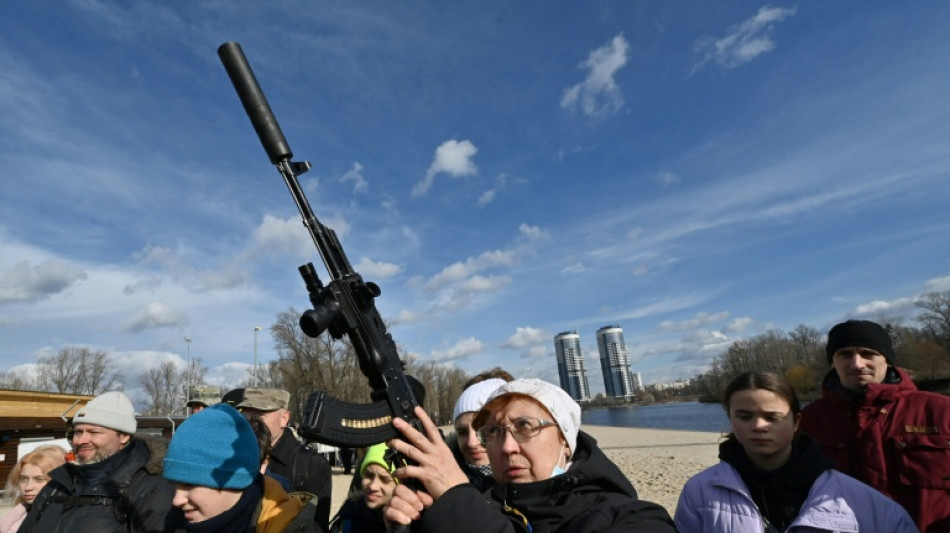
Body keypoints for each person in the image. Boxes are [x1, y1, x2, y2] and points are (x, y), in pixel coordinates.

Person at [383, 378, 675, 533]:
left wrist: (457, 502)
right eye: (494, 432)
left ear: (565, 441)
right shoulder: (486, 510)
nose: (507, 447)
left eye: (524, 426)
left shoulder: (634, 518)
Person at [676, 371, 917, 532]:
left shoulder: (857, 498)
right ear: (731, 418)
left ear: (796, 422)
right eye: (745, 416)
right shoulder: (699, 491)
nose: (759, 426)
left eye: (772, 417)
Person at [799, 319, 950, 533]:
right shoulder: (808, 420)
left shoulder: (941, 411)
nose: (857, 364)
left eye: (868, 353)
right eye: (845, 354)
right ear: (833, 361)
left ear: (887, 360)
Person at [18, 391, 181, 533]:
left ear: (123, 436)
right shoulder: (59, 485)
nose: (81, 440)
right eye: (78, 432)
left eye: (93, 432)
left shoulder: (151, 487)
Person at [164, 403, 319, 532]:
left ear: (234, 480)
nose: (177, 500)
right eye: (174, 485)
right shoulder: (174, 523)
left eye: (190, 484)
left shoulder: (290, 527)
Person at [238, 388, 333, 531]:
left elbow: (316, 525)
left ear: (284, 418)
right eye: (246, 414)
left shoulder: (312, 465)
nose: (250, 422)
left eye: (259, 415)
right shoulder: (232, 456)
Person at [449, 378, 508, 491]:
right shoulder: (444, 486)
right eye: (462, 432)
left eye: (485, 430)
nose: (472, 442)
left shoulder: (538, 487)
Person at [329, 443, 399, 533]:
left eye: (384, 479)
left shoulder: (417, 524)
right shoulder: (348, 518)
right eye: (369, 475)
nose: (373, 486)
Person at [0, 445, 66, 533]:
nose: (28, 487)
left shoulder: (69, 519)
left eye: (39, 479)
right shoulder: (14, 517)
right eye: (24, 479)